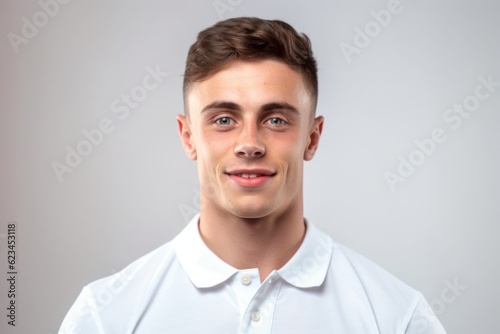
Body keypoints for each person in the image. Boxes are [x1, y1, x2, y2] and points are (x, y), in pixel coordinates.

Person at [59, 17, 446, 333]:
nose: (249, 143)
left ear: (312, 137)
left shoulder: (397, 317)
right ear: (188, 136)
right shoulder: (104, 317)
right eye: (223, 119)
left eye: (276, 119)